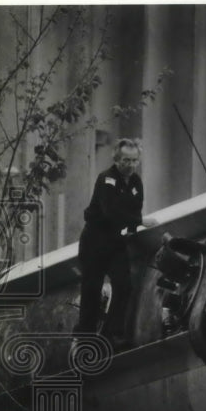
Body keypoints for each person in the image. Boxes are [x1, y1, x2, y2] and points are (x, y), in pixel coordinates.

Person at [74, 138, 156, 345]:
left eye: (134, 160)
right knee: (91, 289)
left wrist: (132, 225)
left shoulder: (136, 182)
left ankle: (112, 333)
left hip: (117, 242)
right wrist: (140, 221)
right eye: (125, 160)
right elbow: (111, 212)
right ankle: (85, 337)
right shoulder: (107, 179)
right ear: (117, 160)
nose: (130, 165)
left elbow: (134, 208)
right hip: (95, 241)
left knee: (124, 285)